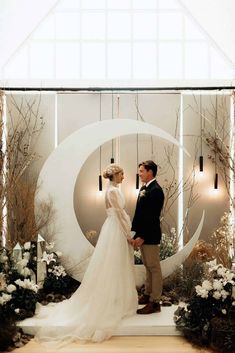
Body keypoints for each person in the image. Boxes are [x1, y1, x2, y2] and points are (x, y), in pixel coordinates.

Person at [28, 164, 138, 344]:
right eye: (122, 174)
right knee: (113, 263)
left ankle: (117, 298)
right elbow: (118, 213)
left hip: (114, 228)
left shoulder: (113, 189)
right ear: (115, 175)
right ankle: (112, 300)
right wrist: (128, 234)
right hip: (115, 229)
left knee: (115, 263)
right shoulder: (112, 192)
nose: (124, 177)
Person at [132, 160, 164, 315]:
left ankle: (155, 302)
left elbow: (151, 217)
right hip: (144, 234)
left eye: (141, 171)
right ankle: (147, 294)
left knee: (154, 268)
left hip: (150, 235)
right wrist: (134, 233)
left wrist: (142, 236)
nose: (140, 173)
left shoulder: (156, 190)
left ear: (150, 172)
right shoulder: (145, 188)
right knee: (148, 266)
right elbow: (139, 214)